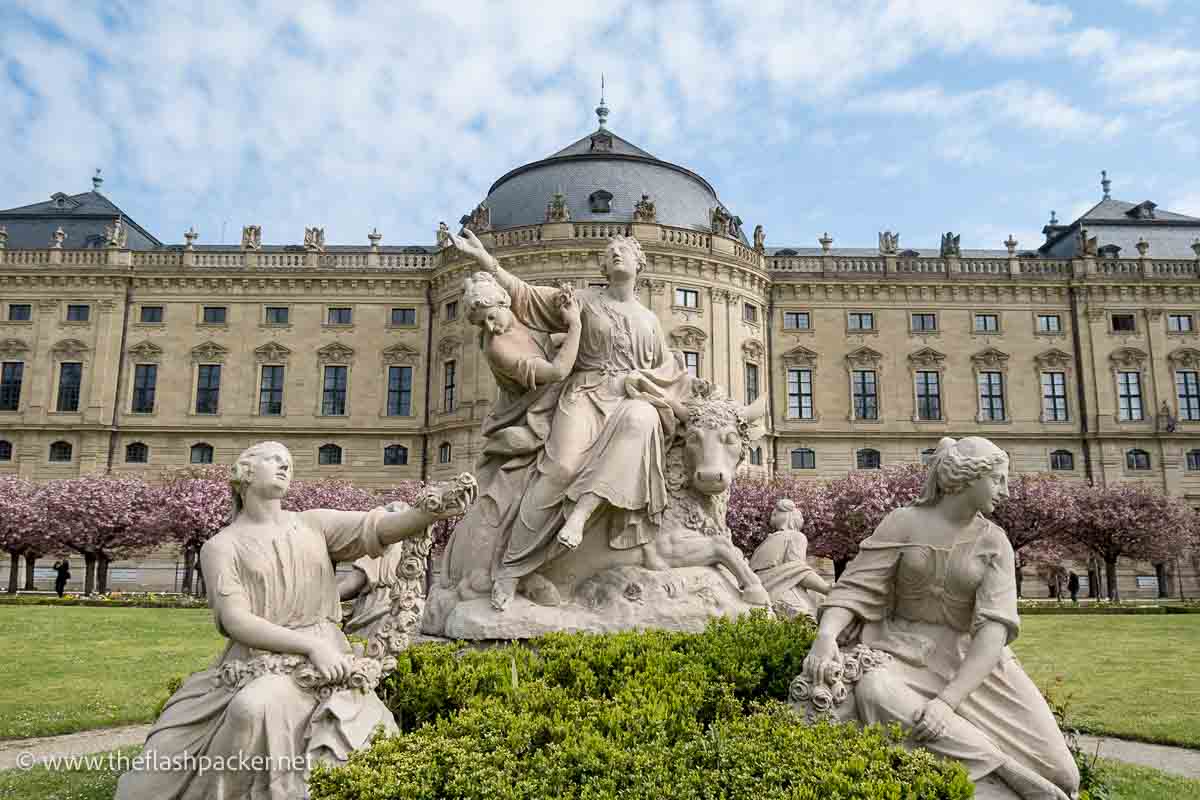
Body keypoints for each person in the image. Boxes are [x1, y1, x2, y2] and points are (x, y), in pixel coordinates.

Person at [116, 441, 472, 800]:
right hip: (256, 660)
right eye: (273, 459)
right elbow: (235, 620)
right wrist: (311, 647)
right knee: (167, 761)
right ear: (244, 473)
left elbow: (380, 528)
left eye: (288, 462)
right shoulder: (221, 547)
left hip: (318, 662)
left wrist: (432, 510)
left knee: (252, 707)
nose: (284, 466)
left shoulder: (312, 525)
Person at [803, 436, 1079, 800]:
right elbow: (855, 588)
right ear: (968, 477)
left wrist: (946, 703)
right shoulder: (903, 523)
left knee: (1064, 774)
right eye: (998, 479)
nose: (1006, 492)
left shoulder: (994, 541)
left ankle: (1007, 767)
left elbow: (993, 633)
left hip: (971, 664)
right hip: (900, 651)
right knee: (875, 691)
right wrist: (825, 636)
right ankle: (1007, 771)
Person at [448, 228, 690, 610]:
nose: (615, 256)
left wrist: (664, 391)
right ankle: (511, 568)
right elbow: (524, 296)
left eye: (622, 250)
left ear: (639, 263)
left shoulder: (649, 320)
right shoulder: (583, 301)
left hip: (632, 398)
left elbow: (667, 371)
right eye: (609, 252)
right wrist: (486, 262)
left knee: (642, 420)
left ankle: (580, 516)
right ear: (602, 266)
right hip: (585, 393)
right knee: (559, 468)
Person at [437, 270, 582, 610]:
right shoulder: (499, 346)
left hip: (559, 398)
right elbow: (558, 372)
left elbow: (526, 290)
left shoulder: (520, 311)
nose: (488, 327)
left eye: (490, 317)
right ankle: (513, 567)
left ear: (506, 303)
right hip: (531, 417)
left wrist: (484, 259)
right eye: (481, 322)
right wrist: (574, 325)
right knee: (553, 470)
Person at [748, 499, 830, 619]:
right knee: (806, 621)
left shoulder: (784, 537)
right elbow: (799, 570)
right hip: (778, 588)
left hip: (763, 589)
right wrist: (827, 589)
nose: (773, 513)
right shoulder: (793, 537)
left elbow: (797, 570)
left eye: (776, 512)